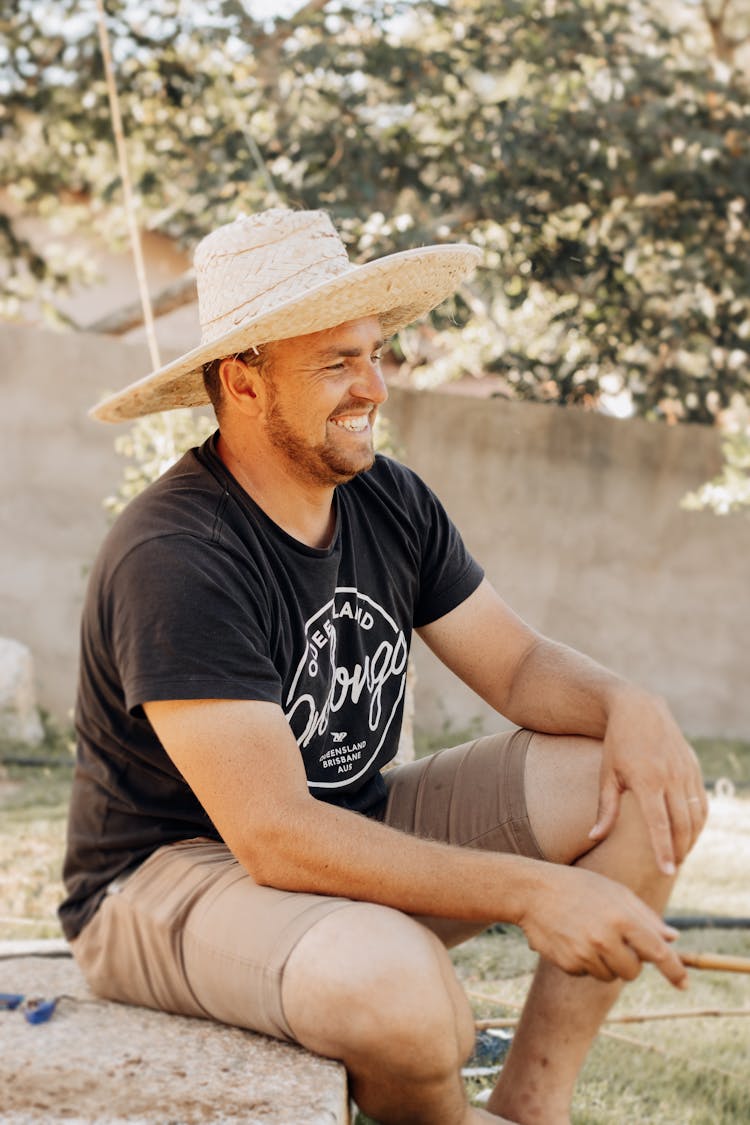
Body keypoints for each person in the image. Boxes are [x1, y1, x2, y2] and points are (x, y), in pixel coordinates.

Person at [60, 207, 708, 1125]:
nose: (376, 385)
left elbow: (517, 666)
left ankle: (532, 1107)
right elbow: (275, 834)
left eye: (375, 352)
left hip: (339, 825)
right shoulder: (176, 552)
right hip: (166, 877)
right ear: (244, 382)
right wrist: (536, 891)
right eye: (338, 362)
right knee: (406, 1000)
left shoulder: (389, 499)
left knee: (644, 783)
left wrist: (627, 703)